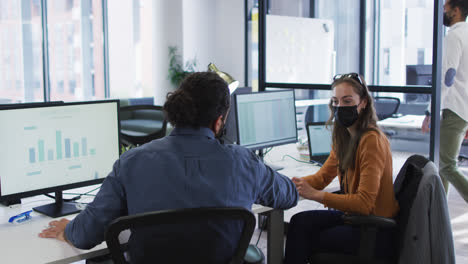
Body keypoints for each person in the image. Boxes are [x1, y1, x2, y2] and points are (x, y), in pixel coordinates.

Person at [38, 72, 298, 263]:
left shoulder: (131, 162)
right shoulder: (244, 162)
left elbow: (86, 235)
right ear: (219, 122)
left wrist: (67, 230)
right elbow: (288, 196)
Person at [284, 73, 399, 264]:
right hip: (355, 218)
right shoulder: (344, 137)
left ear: (363, 103)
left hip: (374, 230)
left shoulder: (372, 140)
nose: (340, 107)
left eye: (347, 101)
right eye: (335, 101)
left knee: (307, 237)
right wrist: (286, 185)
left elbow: (364, 203)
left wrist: (315, 195)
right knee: (298, 222)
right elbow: (322, 178)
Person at [421, 0, 468, 203]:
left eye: (445, 7)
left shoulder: (455, 36)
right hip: (463, 107)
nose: (442, 11)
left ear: (456, 10)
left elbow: (447, 77)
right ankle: (439, 211)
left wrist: (430, 111)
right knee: (444, 164)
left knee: (446, 164)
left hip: (454, 106)